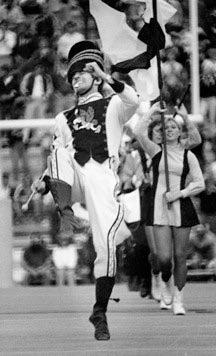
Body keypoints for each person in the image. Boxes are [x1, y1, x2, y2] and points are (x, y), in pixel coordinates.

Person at [31, 40, 139, 340]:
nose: (76, 77)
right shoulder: (62, 118)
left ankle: (99, 312)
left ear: (95, 75)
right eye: (73, 74)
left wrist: (107, 79)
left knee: (106, 250)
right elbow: (57, 154)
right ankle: (66, 214)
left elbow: (133, 100)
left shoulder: (113, 104)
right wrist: (42, 184)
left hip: (102, 180)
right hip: (76, 180)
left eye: (83, 72)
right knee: (57, 151)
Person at [133, 104, 205, 315]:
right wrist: (152, 111)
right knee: (164, 258)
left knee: (180, 255)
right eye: (166, 128)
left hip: (181, 206)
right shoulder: (155, 151)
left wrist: (180, 193)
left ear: (179, 131)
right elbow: (138, 131)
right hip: (158, 208)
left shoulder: (187, 155)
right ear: (162, 135)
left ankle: (179, 299)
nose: (170, 129)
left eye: (174, 126)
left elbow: (199, 183)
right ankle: (164, 281)